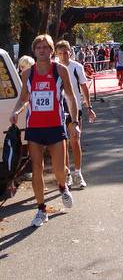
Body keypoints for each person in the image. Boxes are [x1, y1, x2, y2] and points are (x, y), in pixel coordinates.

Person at [9, 34, 80, 227]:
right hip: (35, 128)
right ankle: (41, 210)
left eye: (45, 47)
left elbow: (71, 98)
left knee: (59, 170)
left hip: (56, 126)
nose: (42, 50)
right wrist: (16, 111)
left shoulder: (61, 70)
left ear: (51, 50)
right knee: (37, 168)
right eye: (38, 48)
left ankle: (62, 186)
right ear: (34, 51)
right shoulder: (27, 74)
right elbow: (24, 98)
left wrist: (74, 122)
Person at [55, 40, 96, 189]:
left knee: (75, 141)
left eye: (65, 52)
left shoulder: (76, 67)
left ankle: (78, 173)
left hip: (75, 108)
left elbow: (84, 87)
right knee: (62, 143)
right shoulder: (54, 67)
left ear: (70, 52)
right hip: (59, 109)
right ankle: (67, 175)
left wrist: (89, 107)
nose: (63, 56)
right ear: (56, 54)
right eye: (60, 53)